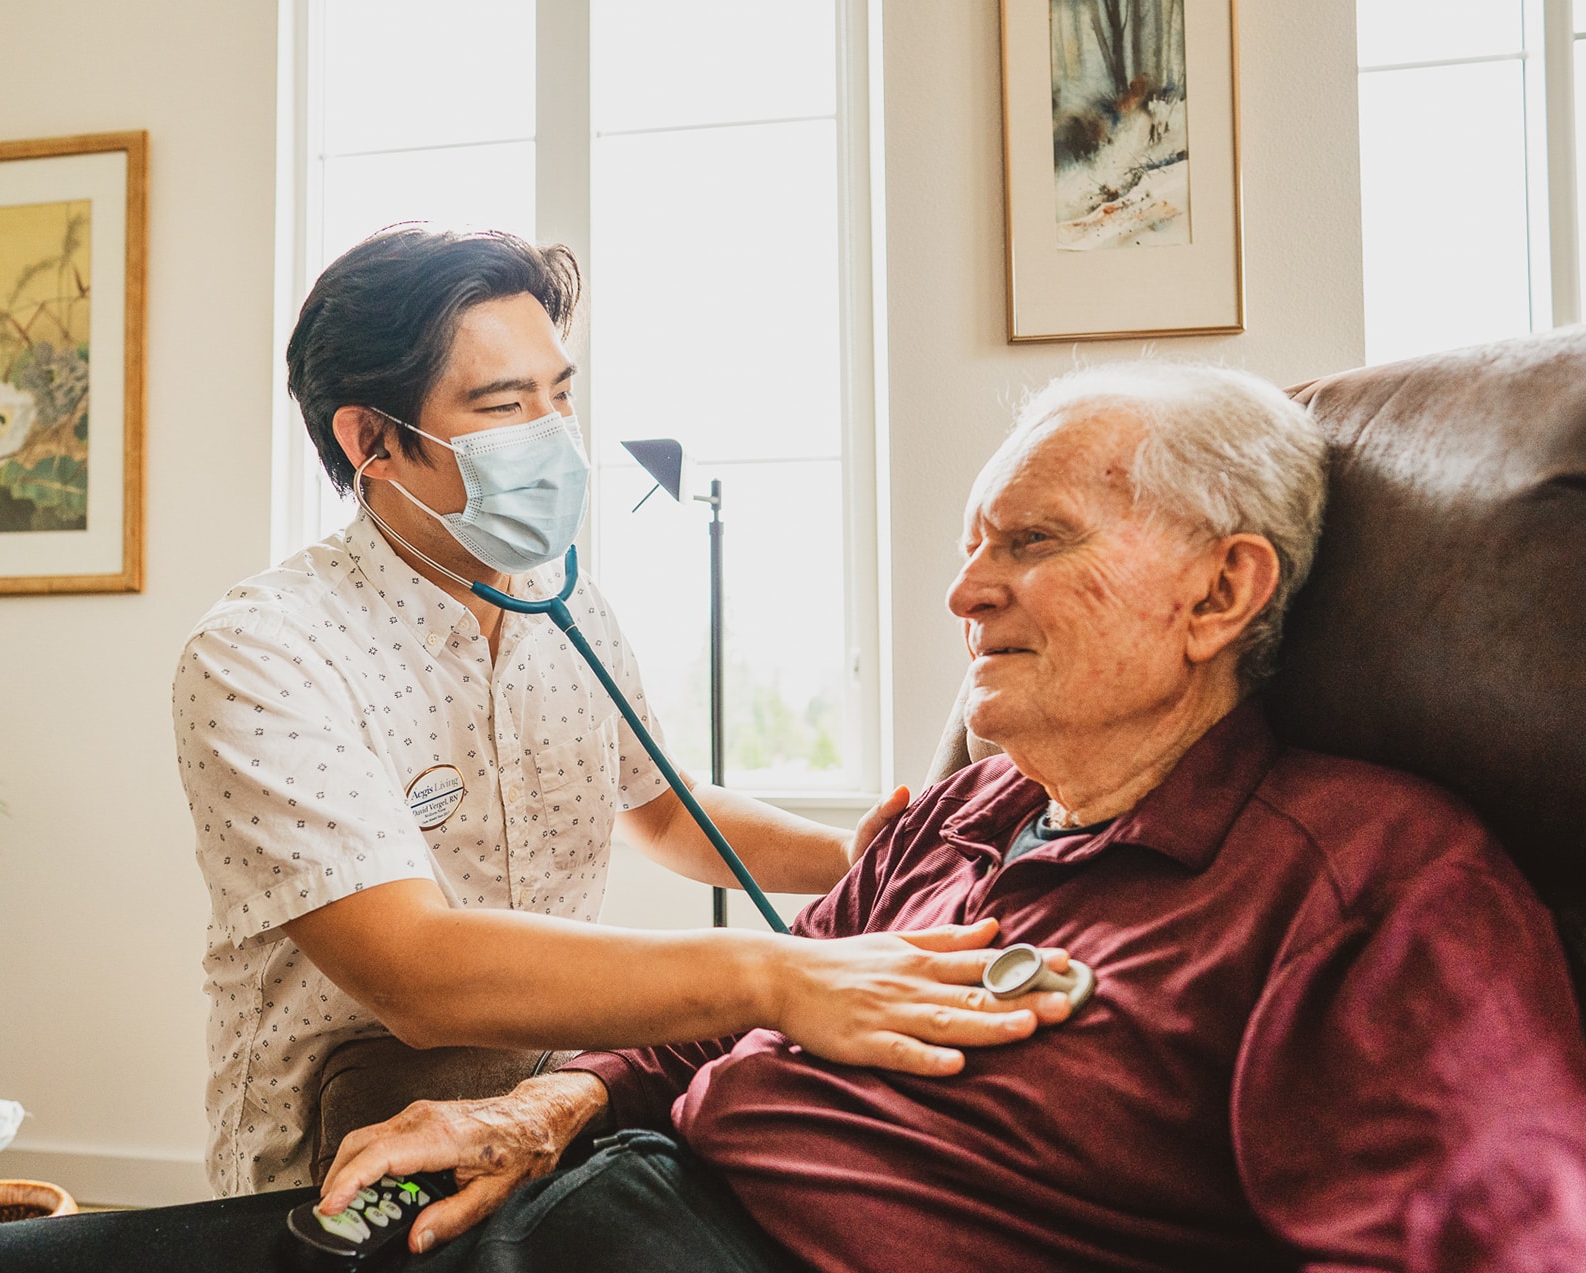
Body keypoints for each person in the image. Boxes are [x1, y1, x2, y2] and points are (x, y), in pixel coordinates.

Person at [315, 361, 1586, 1273]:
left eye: (1031, 540)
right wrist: (540, 1110)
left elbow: (1495, 1246)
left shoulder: (1365, 876)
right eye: (975, 542)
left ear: (1221, 590)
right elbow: (731, 1017)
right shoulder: (968, 813)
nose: (964, 591)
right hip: (590, 1215)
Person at [171, 225, 1071, 1198]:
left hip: (558, 1101)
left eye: (559, 394)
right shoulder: (264, 652)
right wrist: (775, 975)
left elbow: (664, 810)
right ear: (371, 439)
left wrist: (868, 862)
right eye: (504, 405)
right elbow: (415, 971)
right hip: (340, 1143)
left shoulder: (561, 595)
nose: (553, 435)